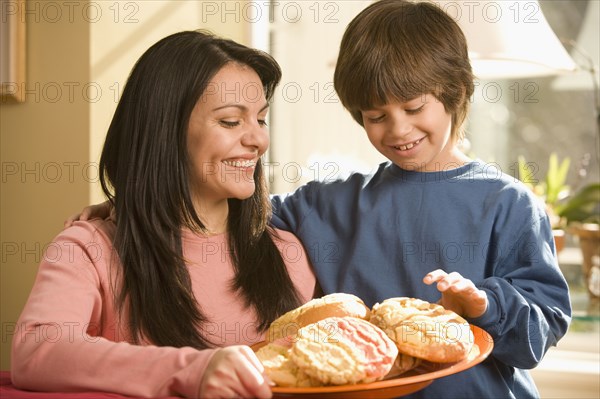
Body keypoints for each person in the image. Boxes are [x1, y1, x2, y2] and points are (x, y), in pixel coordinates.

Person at [67, 1, 572, 398]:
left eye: (414, 107)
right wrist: (133, 203)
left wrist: (484, 303)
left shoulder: (506, 203)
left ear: (457, 90)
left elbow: (541, 330)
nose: (397, 129)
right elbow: (228, 209)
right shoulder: (329, 204)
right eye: (375, 116)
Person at [11, 30, 317, 399]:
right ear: (165, 131)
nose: (258, 140)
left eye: (261, 120)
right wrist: (193, 370)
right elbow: (38, 352)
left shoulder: (287, 253)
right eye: (231, 122)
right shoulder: (88, 248)